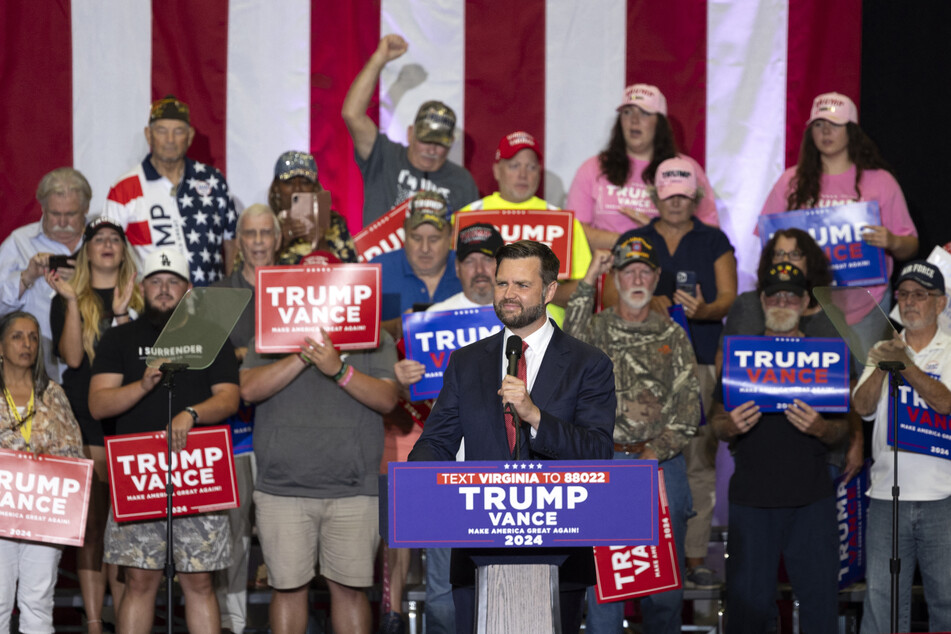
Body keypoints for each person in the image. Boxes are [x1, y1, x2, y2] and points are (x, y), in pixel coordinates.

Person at [408, 240, 616, 634]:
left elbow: (597, 451)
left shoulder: (589, 364)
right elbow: (437, 442)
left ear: (549, 291)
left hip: (559, 551)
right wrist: (415, 487)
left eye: (521, 285)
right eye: (503, 284)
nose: (508, 294)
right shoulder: (466, 361)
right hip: (476, 553)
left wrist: (535, 416)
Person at [88, 248, 240, 634]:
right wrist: (141, 384)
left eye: (173, 282)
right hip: (140, 475)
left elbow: (229, 397)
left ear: (188, 290)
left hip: (198, 472)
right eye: (156, 281)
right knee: (139, 581)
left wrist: (191, 414)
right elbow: (98, 404)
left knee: (200, 581)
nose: (164, 290)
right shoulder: (120, 338)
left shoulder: (211, 336)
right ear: (142, 288)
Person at [564, 234, 699, 633]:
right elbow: (565, 345)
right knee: (606, 584)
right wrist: (589, 277)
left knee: (664, 585)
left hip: (659, 466)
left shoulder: (673, 336)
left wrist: (653, 454)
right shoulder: (595, 330)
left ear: (656, 278)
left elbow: (689, 412)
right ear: (616, 278)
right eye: (628, 271)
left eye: (645, 271)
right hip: (605, 463)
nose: (637, 278)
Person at [239, 306, 399, 634]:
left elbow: (387, 399)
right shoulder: (269, 335)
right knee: (286, 587)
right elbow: (249, 390)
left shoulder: (373, 335)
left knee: (350, 590)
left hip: (354, 488)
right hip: (281, 487)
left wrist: (338, 369)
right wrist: (304, 354)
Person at [710, 263, 847, 634]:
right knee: (749, 608)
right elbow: (716, 422)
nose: (782, 301)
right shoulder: (740, 356)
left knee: (820, 603)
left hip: (812, 498)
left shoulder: (827, 357)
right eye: (775, 295)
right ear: (763, 301)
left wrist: (822, 428)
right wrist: (731, 425)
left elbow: (842, 432)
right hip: (752, 499)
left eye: (791, 295)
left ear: (805, 302)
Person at [391, 222, 504, 634]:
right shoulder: (431, 322)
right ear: (456, 268)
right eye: (469, 260)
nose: (479, 269)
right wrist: (402, 380)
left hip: (505, 475)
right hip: (448, 472)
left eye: (487, 260)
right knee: (442, 589)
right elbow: (410, 402)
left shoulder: (522, 318)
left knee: (502, 584)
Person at [47, 217, 141, 633]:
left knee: (125, 524)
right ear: (85, 250)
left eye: (114, 239)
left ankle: (126, 618)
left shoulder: (142, 294)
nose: (106, 245)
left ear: (124, 250)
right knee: (90, 526)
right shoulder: (69, 296)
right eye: (98, 239)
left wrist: (123, 315)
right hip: (84, 417)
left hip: (131, 418)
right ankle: (93, 621)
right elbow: (71, 359)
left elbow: (142, 361)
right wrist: (70, 301)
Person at [759, 91, 918, 330]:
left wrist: (892, 241)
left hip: (867, 306)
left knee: (869, 369)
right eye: (818, 124)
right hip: (804, 303)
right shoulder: (790, 181)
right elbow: (768, 244)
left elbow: (911, 244)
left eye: (835, 124)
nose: (825, 131)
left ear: (851, 130)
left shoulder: (880, 181)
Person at [852, 261, 951, 633]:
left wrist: (906, 365)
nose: (910, 302)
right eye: (904, 294)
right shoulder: (881, 348)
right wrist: (882, 364)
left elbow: (945, 403)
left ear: (940, 304)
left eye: (920, 295)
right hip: (885, 497)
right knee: (882, 599)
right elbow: (861, 408)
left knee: (947, 597)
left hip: (943, 495)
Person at [211, 203, 281, 634]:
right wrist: (254, 355)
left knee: (283, 536)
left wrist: (242, 357)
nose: (257, 242)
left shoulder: (296, 289)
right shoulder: (217, 296)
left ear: (278, 239)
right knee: (233, 537)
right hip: (233, 435)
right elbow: (207, 364)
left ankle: (288, 623)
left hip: (284, 430)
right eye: (249, 234)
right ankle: (232, 625)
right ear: (239, 242)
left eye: (265, 233)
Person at [0, 311, 83, 634]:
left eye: (33, 337)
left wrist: (51, 460)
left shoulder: (54, 394)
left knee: (38, 602)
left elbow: (74, 451)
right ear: (1, 346)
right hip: (1, 514)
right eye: (18, 337)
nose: (27, 344)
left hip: (44, 513)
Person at [342, 34, 478, 225]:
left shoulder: (462, 182)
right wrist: (379, 60)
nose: (431, 150)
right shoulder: (384, 156)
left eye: (439, 144)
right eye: (425, 140)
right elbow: (352, 114)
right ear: (410, 133)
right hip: (380, 254)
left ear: (450, 145)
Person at [458, 130, 593, 322]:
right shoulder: (468, 217)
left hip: (549, 333)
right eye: (514, 166)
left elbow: (584, 288)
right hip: (477, 328)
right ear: (497, 170)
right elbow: (452, 277)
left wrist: (538, 291)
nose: (523, 175)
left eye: (531, 167)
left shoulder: (563, 221)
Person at [103, 94, 238, 285]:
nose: (170, 140)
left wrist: (231, 293)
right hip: (154, 307)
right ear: (148, 135)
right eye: (161, 131)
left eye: (178, 131)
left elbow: (232, 242)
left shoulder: (212, 180)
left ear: (190, 136)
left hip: (212, 304)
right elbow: (106, 252)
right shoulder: (125, 188)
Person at [567, 84, 719, 251]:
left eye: (645, 113)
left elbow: (710, 233)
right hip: (605, 271)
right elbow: (575, 232)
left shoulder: (686, 169)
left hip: (665, 272)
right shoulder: (593, 168)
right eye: (627, 112)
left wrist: (657, 232)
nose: (634, 120)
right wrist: (633, 241)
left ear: (659, 123)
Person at [0, 167, 91, 382]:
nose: (62, 222)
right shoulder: (20, 242)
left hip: (96, 360)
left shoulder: (104, 240)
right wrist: (26, 278)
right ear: (42, 208)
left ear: (86, 208)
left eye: (70, 214)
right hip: (37, 364)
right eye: (54, 214)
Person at [370, 192, 462, 339]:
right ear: (404, 233)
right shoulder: (377, 271)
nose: (425, 248)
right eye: (416, 238)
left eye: (434, 239)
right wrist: (397, 327)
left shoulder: (469, 270)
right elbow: (357, 333)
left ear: (451, 235)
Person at [267, 150, 358, 265]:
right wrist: (281, 243)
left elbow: (354, 276)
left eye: (305, 182)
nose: (297, 189)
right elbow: (254, 277)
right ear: (276, 188)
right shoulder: (265, 226)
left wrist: (320, 242)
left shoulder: (333, 225)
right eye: (289, 183)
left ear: (314, 188)